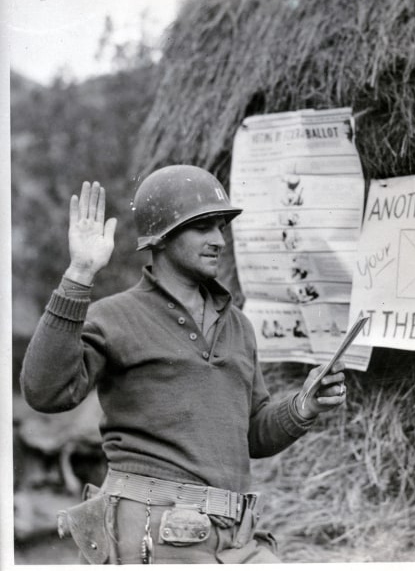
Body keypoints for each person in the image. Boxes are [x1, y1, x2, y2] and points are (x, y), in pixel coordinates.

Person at [21, 165, 348, 564]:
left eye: (221, 227)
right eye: (203, 227)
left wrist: (303, 407)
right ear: (161, 236)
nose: (219, 240)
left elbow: (252, 434)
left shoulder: (238, 326)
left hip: (236, 537)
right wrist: (79, 275)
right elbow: (44, 391)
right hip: (155, 533)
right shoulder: (115, 317)